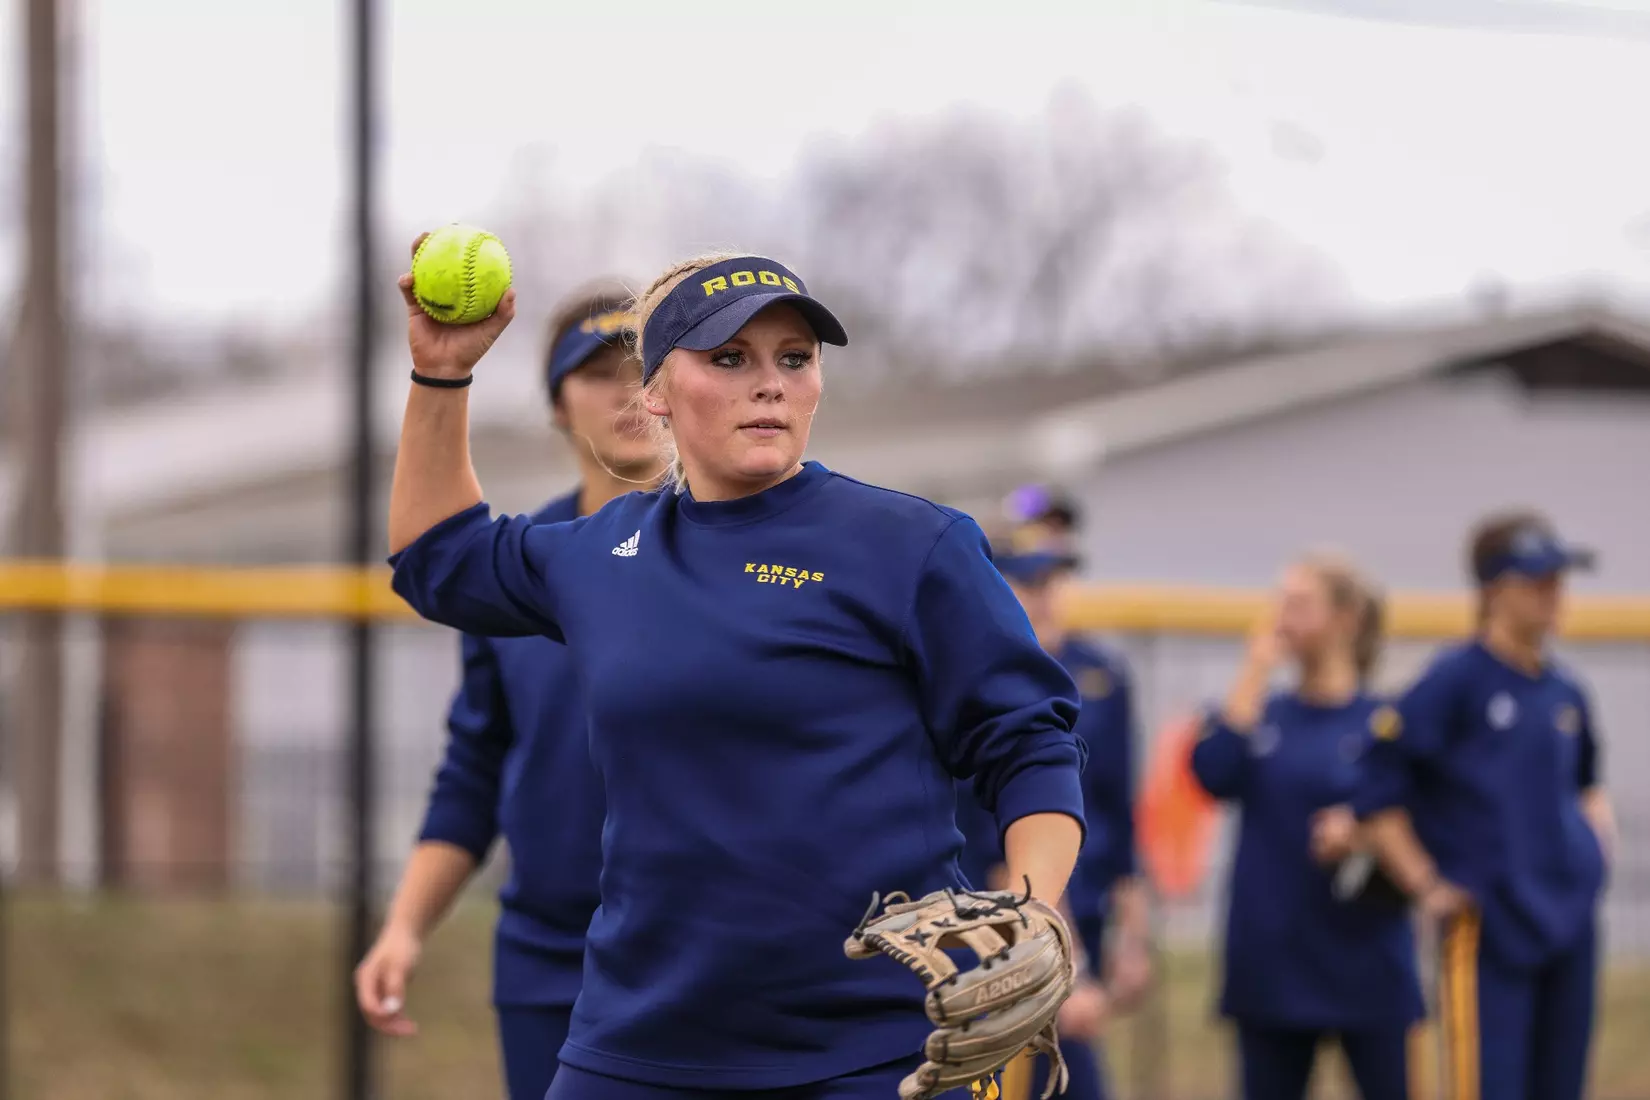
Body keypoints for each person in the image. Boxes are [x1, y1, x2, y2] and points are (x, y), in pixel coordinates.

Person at [385, 243, 1088, 1100]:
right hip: (637, 1041)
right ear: (654, 392)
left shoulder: (911, 544)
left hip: (870, 1048)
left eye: (794, 358)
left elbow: (1030, 745)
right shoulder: (604, 552)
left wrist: (1031, 912)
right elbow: (435, 557)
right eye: (729, 358)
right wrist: (440, 373)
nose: (770, 384)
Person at [354, 281, 663, 1098]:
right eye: (597, 372)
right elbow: (476, 767)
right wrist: (404, 927)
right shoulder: (519, 570)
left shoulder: (745, 554)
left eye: (644, 367)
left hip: (704, 952)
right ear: (557, 404)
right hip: (550, 953)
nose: (628, 391)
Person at [1355, 512, 1615, 1100]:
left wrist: (1594, 855)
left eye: (1558, 580)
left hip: (1567, 922)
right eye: (1537, 580)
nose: (1553, 594)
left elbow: (1586, 783)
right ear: (1495, 589)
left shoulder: (1564, 691)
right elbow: (1377, 787)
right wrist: (1426, 883)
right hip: (1491, 925)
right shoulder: (1456, 681)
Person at [1191, 552, 1423, 1100]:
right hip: (1272, 965)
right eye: (1280, 602)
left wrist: (1362, 834)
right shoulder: (1260, 713)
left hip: (1367, 958)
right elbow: (1214, 773)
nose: (1281, 616)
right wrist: (1254, 669)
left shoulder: (1386, 722)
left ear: (1346, 618)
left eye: (1299, 603)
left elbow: (1425, 821)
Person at [955, 524, 1153, 1100]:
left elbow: (1120, 806)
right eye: (1029, 580)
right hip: (1002, 928)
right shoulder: (976, 680)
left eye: (1052, 579)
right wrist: (1067, 968)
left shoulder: (1099, 672)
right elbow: (1001, 843)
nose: (1045, 595)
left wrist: (1132, 937)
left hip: (1078, 913)